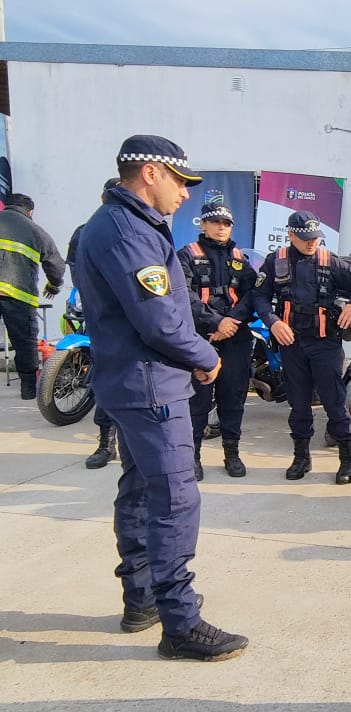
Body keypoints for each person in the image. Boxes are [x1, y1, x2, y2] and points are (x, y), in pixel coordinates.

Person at [77, 134, 247, 660]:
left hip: (135, 382)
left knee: (141, 488)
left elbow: (162, 306)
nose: (184, 194)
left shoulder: (122, 225)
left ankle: (142, 597)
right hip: (151, 384)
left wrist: (201, 334)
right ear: (150, 173)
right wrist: (204, 355)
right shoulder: (127, 229)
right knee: (174, 497)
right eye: (179, 181)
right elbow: (159, 321)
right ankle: (180, 622)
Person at [254, 211, 351, 484]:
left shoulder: (330, 261)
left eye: (315, 238)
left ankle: (347, 459)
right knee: (298, 403)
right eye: (306, 238)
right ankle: (301, 457)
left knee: (334, 402)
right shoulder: (276, 262)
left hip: (324, 343)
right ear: (291, 235)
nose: (312, 243)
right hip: (291, 343)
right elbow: (259, 296)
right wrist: (272, 322)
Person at [177, 202, 258, 480]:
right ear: (203, 224)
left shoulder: (241, 258)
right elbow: (181, 296)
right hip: (199, 338)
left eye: (227, 223)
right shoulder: (186, 255)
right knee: (197, 402)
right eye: (216, 222)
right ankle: (193, 457)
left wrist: (231, 322)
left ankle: (231, 453)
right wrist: (215, 322)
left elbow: (253, 297)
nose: (222, 228)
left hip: (234, 338)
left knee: (233, 399)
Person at [68, 178, 121, 469]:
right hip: (103, 323)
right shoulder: (88, 232)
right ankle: (105, 444)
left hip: (138, 324)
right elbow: (79, 274)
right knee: (106, 383)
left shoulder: (145, 230)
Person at [0, 193, 65, 400]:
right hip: (18, 294)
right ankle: (28, 390)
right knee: (24, 342)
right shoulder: (35, 230)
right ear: (30, 212)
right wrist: (54, 286)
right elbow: (56, 264)